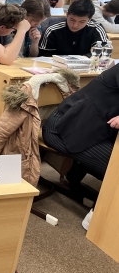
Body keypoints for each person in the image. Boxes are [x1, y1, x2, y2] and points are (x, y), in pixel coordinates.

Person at [42, 63, 119, 223]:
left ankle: (75, 173)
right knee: (116, 169)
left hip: (95, 130)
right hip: (65, 127)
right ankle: (97, 220)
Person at [38, 0, 108, 57]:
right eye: (72, 20)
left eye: (82, 21)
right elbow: (44, 56)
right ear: (67, 14)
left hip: (85, 67)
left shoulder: (96, 29)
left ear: (90, 19)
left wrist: (82, 59)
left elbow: (103, 52)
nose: (75, 25)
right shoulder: (52, 30)